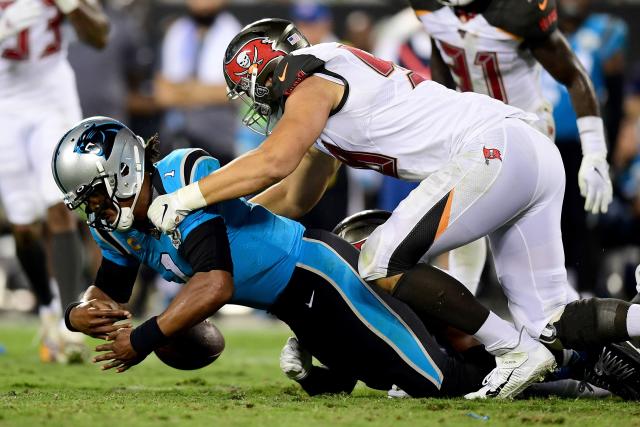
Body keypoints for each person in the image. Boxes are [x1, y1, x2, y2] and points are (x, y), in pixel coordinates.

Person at [147, 18, 640, 399]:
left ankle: (510, 347)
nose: (256, 103)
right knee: (553, 318)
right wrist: (225, 218)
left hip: (495, 149)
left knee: (380, 259)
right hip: (522, 151)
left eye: (252, 89)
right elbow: (297, 195)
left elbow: (274, 161)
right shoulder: (320, 99)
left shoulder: (314, 74)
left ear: (270, 67)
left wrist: (188, 198)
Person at [51, 116, 501, 398]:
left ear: (123, 172)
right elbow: (106, 295)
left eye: (94, 197)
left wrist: (144, 338)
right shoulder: (116, 227)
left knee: (439, 382)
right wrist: (78, 315)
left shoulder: (180, 179)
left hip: (323, 275)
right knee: (379, 382)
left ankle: (546, 368)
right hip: (294, 307)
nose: (94, 210)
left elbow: (215, 284)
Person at [409, 0, 614, 296]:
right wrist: (444, 110)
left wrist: (595, 152)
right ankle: (458, 317)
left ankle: (568, 314)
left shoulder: (519, 10)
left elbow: (573, 75)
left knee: (523, 258)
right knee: (462, 225)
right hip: (472, 128)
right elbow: (441, 49)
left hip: (525, 130)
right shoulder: (430, 7)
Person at [0, 0, 108, 362]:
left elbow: (100, 35)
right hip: (4, 103)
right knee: (23, 225)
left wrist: (73, 6)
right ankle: (47, 310)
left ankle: (67, 319)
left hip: (52, 99)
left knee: (60, 206)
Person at [154, 0, 241, 165]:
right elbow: (162, 95)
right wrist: (207, 91)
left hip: (217, 143)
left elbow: (234, 92)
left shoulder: (235, 33)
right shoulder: (176, 32)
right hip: (172, 143)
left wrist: (182, 90)